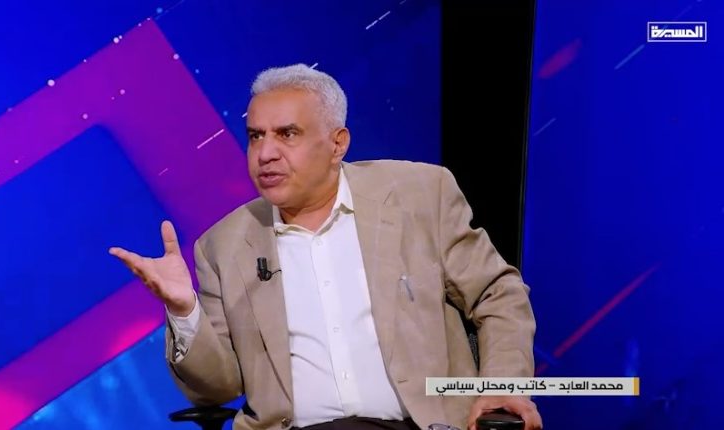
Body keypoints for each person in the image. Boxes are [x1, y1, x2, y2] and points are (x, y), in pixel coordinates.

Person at [109, 64, 542, 430]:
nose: (266, 153)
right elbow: (215, 389)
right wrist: (185, 312)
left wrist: (502, 385)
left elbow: (497, 293)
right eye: (256, 136)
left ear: (338, 144)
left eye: (287, 134)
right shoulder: (223, 246)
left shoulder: (420, 194)